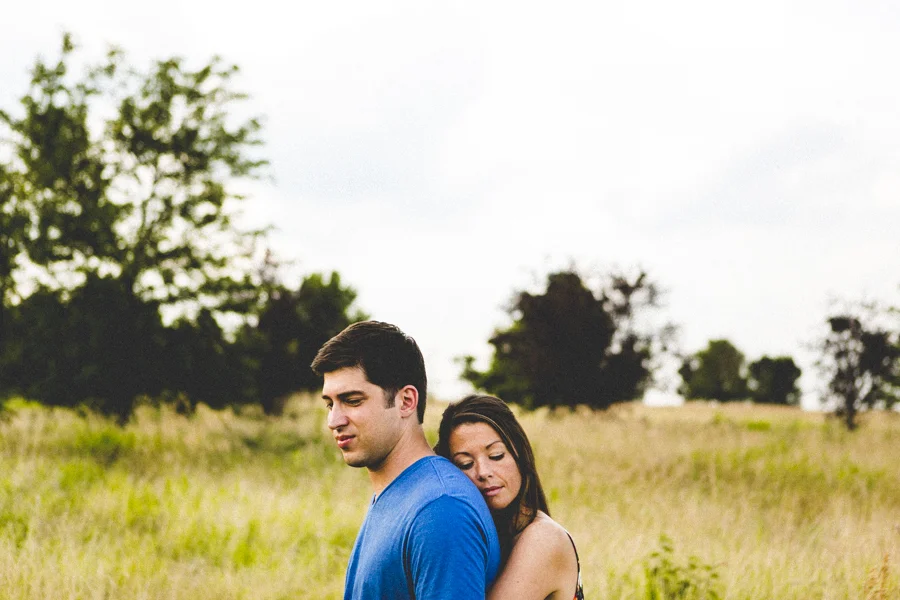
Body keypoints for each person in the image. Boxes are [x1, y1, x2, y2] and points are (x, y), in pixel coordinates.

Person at [311, 321, 501, 600]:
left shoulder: (441, 510)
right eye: (330, 404)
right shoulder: (401, 493)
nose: (334, 421)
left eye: (352, 400)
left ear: (406, 401)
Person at [435, 394, 585, 600]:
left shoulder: (544, 538)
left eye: (496, 455)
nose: (483, 472)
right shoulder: (484, 536)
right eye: (465, 464)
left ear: (520, 454)